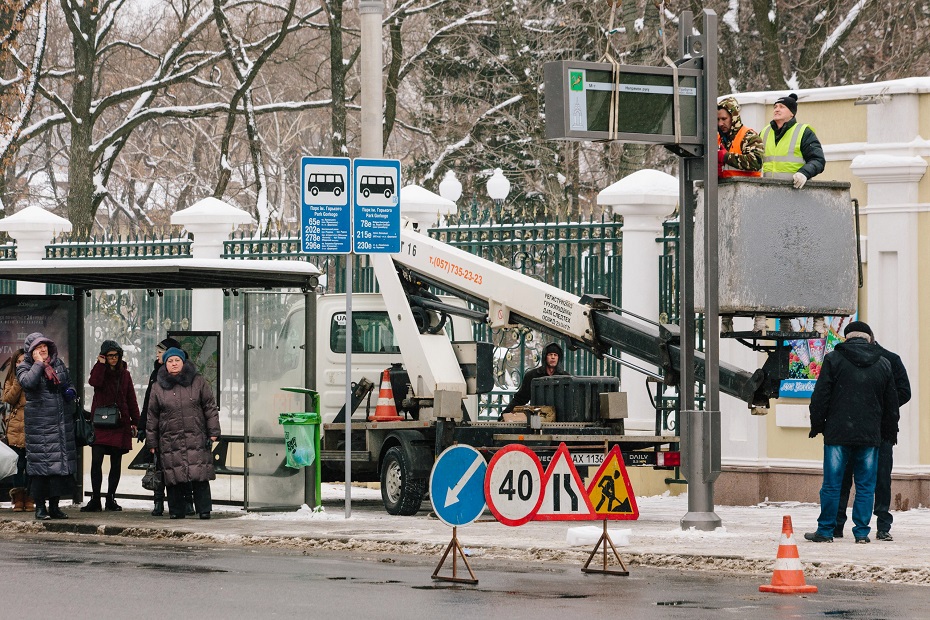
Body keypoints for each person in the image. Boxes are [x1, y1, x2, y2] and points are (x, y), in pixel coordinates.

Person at [805, 321, 899, 544]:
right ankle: (862, 533)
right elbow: (891, 405)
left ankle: (826, 531)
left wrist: (818, 425)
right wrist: (888, 433)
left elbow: (820, 397)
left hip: (838, 433)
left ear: (846, 338)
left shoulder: (833, 360)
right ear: (868, 338)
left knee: (832, 484)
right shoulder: (884, 363)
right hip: (869, 436)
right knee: (866, 486)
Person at [835, 325, 910, 541]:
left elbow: (904, 392)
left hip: (879, 429)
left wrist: (881, 406)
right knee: (867, 478)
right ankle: (844, 524)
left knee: (876, 478)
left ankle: (881, 525)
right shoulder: (843, 358)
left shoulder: (889, 360)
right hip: (860, 429)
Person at [145, 347, 220, 520]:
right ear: (165, 364)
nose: (174, 364)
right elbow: (152, 416)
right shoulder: (157, 387)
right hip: (170, 438)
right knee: (173, 476)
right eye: (170, 361)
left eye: (177, 360)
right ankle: (176, 510)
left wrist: (213, 432)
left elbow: (210, 407)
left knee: (199, 474)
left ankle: (204, 509)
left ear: (183, 362)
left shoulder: (198, 381)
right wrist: (152, 443)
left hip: (196, 435)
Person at [16, 332, 78, 520]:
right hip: (40, 426)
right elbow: (28, 383)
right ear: (31, 351)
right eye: (38, 347)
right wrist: (38, 364)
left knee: (58, 469)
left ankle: (55, 507)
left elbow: (69, 383)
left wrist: (70, 391)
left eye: (44, 346)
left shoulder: (57, 364)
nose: (43, 349)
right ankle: (40, 508)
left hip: (60, 423)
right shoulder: (25, 367)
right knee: (41, 469)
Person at [81, 340, 141, 512]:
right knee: (96, 461)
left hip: (119, 422)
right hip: (100, 422)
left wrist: (135, 421)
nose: (113, 359)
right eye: (109, 356)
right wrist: (100, 365)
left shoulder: (125, 374)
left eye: (115, 355)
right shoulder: (99, 370)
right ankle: (95, 499)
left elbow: (131, 398)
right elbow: (94, 382)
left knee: (116, 463)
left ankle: (111, 498)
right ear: (104, 357)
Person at [137, 337, 194, 517]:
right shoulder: (157, 374)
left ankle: (186, 502)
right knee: (158, 467)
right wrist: (142, 426)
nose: (157, 355)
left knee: (183, 466)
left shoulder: (185, 375)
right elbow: (149, 402)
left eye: (160, 352)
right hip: (160, 429)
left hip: (180, 428)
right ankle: (158, 502)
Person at [760, 93, 826, 188]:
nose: (776, 109)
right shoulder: (764, 132)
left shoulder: (804, 132)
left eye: (782, 107)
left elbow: (818, 160)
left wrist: (804, 173)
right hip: (770, 191)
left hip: (795, 192)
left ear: (792, 113)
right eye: (775, 107)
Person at [500, 342, 569, 417]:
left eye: (555, 355)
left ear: (559, 358)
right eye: (550, 354)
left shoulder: (565, 377)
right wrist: (505, 414)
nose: (553, 357)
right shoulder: (532, 376)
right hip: (538, 417)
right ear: (545, 357)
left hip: (560, 419)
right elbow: (520, 398)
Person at [3, 349, 33, 511]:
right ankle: (18, 497)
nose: (21, 364)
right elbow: (8, 398)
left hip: (31, 423)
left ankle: (29, 497)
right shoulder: (12, 379)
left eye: (24, 361)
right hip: (16, 426)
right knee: (18, 464)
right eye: (19, 361)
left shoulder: (34, 377)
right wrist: (18, 382)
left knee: (30, 464)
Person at [717, 96, 763, 178]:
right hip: (723, 189)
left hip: (747, 189)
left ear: (734, 118)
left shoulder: (749, 137)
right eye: (718, 119)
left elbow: (756, 162)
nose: (720, 123)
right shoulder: (717, 139)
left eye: (724, 119)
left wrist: (726, 157)